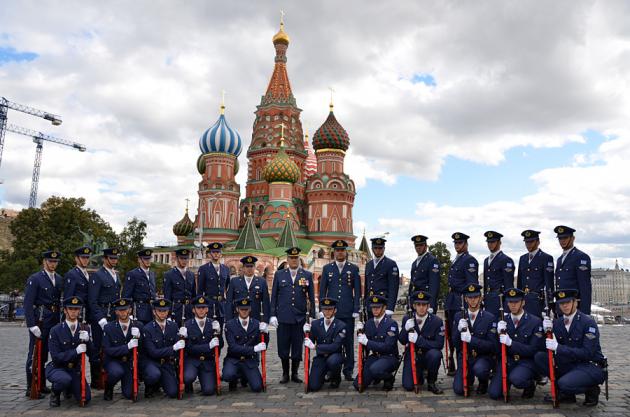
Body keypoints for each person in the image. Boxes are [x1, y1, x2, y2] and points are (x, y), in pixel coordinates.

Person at [534, 289, 606, 406]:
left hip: (589, 365)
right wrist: (545, 331)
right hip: (570, 364)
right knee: (540, 357)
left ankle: (591, 389)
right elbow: (546, 347)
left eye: (568, 302)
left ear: (575, 302)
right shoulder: (557, 323)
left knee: (564, 384)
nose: (565, 305)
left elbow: (587, 353)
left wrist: (559, 348)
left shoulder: (587, 322)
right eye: (562, 303)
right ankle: (567, 394)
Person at [488, 288, 544, 400]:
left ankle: (529, 384)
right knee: (494, 393)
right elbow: (496, 349)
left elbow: (533, 349)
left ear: (523, 302)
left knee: (517, 379)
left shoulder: (535, 321)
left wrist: (511, 343)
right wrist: (496, 335)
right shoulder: (503, 320)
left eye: (516, 302)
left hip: (525, 361)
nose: (513, 305)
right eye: (510, 302)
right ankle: (509, 379)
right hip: (508, 361)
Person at [270, 247, 316, 384]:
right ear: (287, 259)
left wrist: (312, 315)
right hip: (283, 317)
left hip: (299, 318)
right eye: (291, 258)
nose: (294, 260)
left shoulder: (306, 275)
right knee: (283, 346)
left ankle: (295, 373)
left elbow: (311, 296)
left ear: (299, 259)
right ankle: (285, 373)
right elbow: (274, 296)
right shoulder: (279, 275)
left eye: (296, 258)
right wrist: (273, 315)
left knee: (297, 347)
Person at [318, 240, 360, 381]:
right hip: (331, 313)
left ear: (345, 252)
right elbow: (322, 290)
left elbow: (357, 291)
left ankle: (348, 370)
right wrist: (321, 309)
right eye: (337, 250)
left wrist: (356, 308)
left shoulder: (353, 268)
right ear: (334, 252)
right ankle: (332, 369)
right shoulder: (327, 269)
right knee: (332, 341)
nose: (340, 252)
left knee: (348, 342)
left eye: (342, 250)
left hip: (348, 312)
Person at [24, 249, 64, 398]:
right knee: (34, 354)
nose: (53, 264)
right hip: (40, 320)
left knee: (46, 353)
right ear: (44, 262)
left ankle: (41, 384)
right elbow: (28, 303)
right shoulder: (35, 278)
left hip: (53, 320)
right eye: (50, 261)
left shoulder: (58, 279)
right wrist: (31, 324)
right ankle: (31, 386)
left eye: (55, 262)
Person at [46, 296, 93, 407]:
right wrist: (75, 351)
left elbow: (92, 354)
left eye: (76, 309)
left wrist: (88, 341)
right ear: (65, 310)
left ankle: (68, 388)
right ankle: (55, 392)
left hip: (75, 369)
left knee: (86, 398)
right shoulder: (55, 330)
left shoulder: (85, 328)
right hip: (58, 367)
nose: (73, 312)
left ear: (79, 311)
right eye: (70, 309)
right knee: (64, 379)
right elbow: (56, 357)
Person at [452, 283, 498, 396]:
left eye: (476, 297)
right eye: (470, 297)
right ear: (465, 299)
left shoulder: (489, 317)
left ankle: (483, 381)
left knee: (480, 369)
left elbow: (492, 346)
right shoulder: (459, 316)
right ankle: (469, 378)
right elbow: (455, 344)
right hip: (465, 356)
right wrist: (458, 331)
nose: (473, 300)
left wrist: (471, 339)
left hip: (482, 357)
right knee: (459, 390)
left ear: (481, 298)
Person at [444, 233, 479, 375]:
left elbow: (471, 286)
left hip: (461, 300)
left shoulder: (470, 261)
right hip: (452, 300)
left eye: (460, 243)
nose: (457, 246)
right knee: (452, 334)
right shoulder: (457, 260)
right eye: (456, 243)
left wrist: (469, 303)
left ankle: (463, 364)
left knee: (461, 333)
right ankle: (454, 361)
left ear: (466, 244)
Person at [87, 247, 122, 388]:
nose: (114, 261)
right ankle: (96, 381)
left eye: (116, 258)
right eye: (111, 258)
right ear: (105, 259)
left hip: (113, 315)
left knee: (111, 346)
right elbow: (92, 300)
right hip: (101, 315)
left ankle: (108, 377)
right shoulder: (98, 275)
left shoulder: (115, 275)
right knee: (97, 348)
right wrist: (99, 317)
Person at [398, 291, 444, 394]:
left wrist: (419, 340)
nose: (421, 307)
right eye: (418, 304)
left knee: (435, 355)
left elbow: (439, 344)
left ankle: (431, 382)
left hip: (428, 355)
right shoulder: (407, 318)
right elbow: (402, 340)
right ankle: (421, 374)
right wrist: (405, 329)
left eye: (424, 305)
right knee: (408, 386)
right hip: (413, 355)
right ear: (414, 306)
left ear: (428, 306)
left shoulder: (436, 321)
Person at [353, 294, 399, 391]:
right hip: (374, 357)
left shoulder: (391, 324)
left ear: (384, 308)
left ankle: (389, 377)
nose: (375, 310)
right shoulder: (369, 323)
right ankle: (376, 376)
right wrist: (360, 332)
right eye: (373, 307)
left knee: (375, 369)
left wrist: (367, 342)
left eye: (378, 307)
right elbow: (364, 344)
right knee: (358, 384)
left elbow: (387, 347)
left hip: (389, 357)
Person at [222, 297, 267, 392]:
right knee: (227, 375)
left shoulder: (256, 324)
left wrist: (266, 333)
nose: (244, 311)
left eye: (246, 309)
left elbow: (263, 344)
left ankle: (245, 377)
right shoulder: (230, 325)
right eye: (242, 309)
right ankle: (234, 378)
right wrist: (253, 349)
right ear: (237, 309)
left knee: (257, 387)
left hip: (249, 360)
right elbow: (233, 347)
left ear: (250, 309)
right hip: (234, 359)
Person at [102, 298, 143, 401]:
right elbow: (108, 350)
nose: (123, 312)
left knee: (129, 394)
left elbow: (144, 348)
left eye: (125, 309)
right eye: (120, 310)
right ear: (116, 311)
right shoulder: (108, 327)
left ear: (130, 310)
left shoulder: (138, 325)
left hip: (129, 363)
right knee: (116, 372)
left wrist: (139, 337)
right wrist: (127, 347)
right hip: (114, 361)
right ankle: (109, 386)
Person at [182, 295, 223, 396]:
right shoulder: (187, 325)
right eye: (198, 308)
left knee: (209, 391)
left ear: (207, 309)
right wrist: (208, 346)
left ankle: (207, 379)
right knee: (188, 378)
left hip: (207, 361)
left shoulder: (213, 323)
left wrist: (219, 333)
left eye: (203, 308)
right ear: (193, 310)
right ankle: (188, 384)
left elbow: (220, 345)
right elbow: (189, 348)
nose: (201, 310)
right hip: (193, 360)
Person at [142, 299, 182, 399]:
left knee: (173, 392)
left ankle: (161, 382)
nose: (162, 313)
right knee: (153, 374)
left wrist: (183, 337)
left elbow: (179, 348)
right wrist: (173, 348)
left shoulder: (173, 326)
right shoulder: (147, 328)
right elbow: (152, 352)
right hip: (152, 362)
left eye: (164, 311)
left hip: (166, 363)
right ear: (154, 312)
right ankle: (150, 386)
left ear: (168, 311)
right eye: (159, 311)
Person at [305, 297, 347, 391]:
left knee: (333, 362)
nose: (327, 312)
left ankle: (335, 378)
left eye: (330, 309)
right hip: (321, 357)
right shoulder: (315, 324)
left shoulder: (341, 325)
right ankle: (323, 374)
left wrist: (316, 347)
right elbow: (309, 342)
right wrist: (306, 331)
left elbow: (335, 346)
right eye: (325, 309)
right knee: (313, 386)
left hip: (335, 355)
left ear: (335, 310)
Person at [553, 226, 592, 315]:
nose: (562, 241)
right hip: (562, 307)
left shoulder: (581, 257)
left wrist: (585, 313)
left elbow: (585, 287)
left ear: (573, 238)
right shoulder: (559, 260)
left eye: (565, 238)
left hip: (575, 308)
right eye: (560, 238)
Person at [516, 230, 555, 317]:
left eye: (531, 242)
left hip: (538, 302)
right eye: (526, 242)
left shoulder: (546, 258)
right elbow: (519, 282)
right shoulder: (523, 258)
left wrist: (547, 305)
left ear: (538, 242)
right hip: (524, 302)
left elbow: (549, 283)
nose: (528, 244)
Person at [225, 256, 270, 328]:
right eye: (247, 266)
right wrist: (229, 321)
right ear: (243, 268)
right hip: (238, 319)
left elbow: (266, 302)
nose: (249, 268)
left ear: (254, 267)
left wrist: (266, 321)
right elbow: (229, 302)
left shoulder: (262, 281)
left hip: (255, 319)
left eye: (251, 266)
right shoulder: (234, 281)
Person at [364, 238, 399, 319]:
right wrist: (365, 304)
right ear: (372, 249)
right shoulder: (368, 265)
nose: (378, 250)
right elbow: (367, 287)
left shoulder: (391, 264)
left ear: (384, 249)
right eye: (375, 248)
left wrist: (390, 308)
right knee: (370, 329)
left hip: (383, 306)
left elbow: (393, 288)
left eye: (380, 248)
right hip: (371, 305)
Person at [197, 242, 231, 327]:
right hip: (209, 304)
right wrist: (200, 307)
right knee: (209, 330)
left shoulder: (226, 269)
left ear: (221, 254)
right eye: (214, 252)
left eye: (218, 252)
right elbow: (200, 290)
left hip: (221, 305)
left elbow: (227, 287)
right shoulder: (203, 269)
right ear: (209, 254)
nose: (216, 254)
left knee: (220, 329)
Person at [482, 231, 515, 318]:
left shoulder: (506, 260)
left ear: (499, 242)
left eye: (493, 242)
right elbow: (486, 282)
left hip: (499, 300)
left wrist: (507, 307)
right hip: (488, 300)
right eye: (488, 242)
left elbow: (509, 285)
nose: (490, 244)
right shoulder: (486, 260)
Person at [122, 249, 157, 324]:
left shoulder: (152, 274)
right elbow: (126, 296)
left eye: (149, 258)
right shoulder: (133, 274)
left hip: (152, 312)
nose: (148, 261)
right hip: (138, 312)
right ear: (139, 260)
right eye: (145, 259)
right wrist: (129, 313)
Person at [163, 248, 196, 326]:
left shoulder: (191, 274)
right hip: (176, 310)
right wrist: (168, 314)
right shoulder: (169, 274)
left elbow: (194, 295)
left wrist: (195, 310)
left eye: (186, 258)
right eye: (182, 258)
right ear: (177, 258)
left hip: (189, 310)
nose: (184, 261)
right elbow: (167, 296)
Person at [408, 235, 440, 313]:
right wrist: (409, 302)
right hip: (415, 300)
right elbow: (412, 284)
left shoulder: (432, 261)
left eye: (421, 245)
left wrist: (431, 305)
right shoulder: (414, 263)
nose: (418, 247)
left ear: (426, 246)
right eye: (416, 245)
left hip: (426, 302)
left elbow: (434, 285)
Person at [63, 246, 93, 318]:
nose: (85, 260)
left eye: (87, 257)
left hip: (87, 314)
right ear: (76, 258)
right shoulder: (72, 274)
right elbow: (68, 297)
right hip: (76, 314)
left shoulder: (87, 274)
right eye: (83, 258)